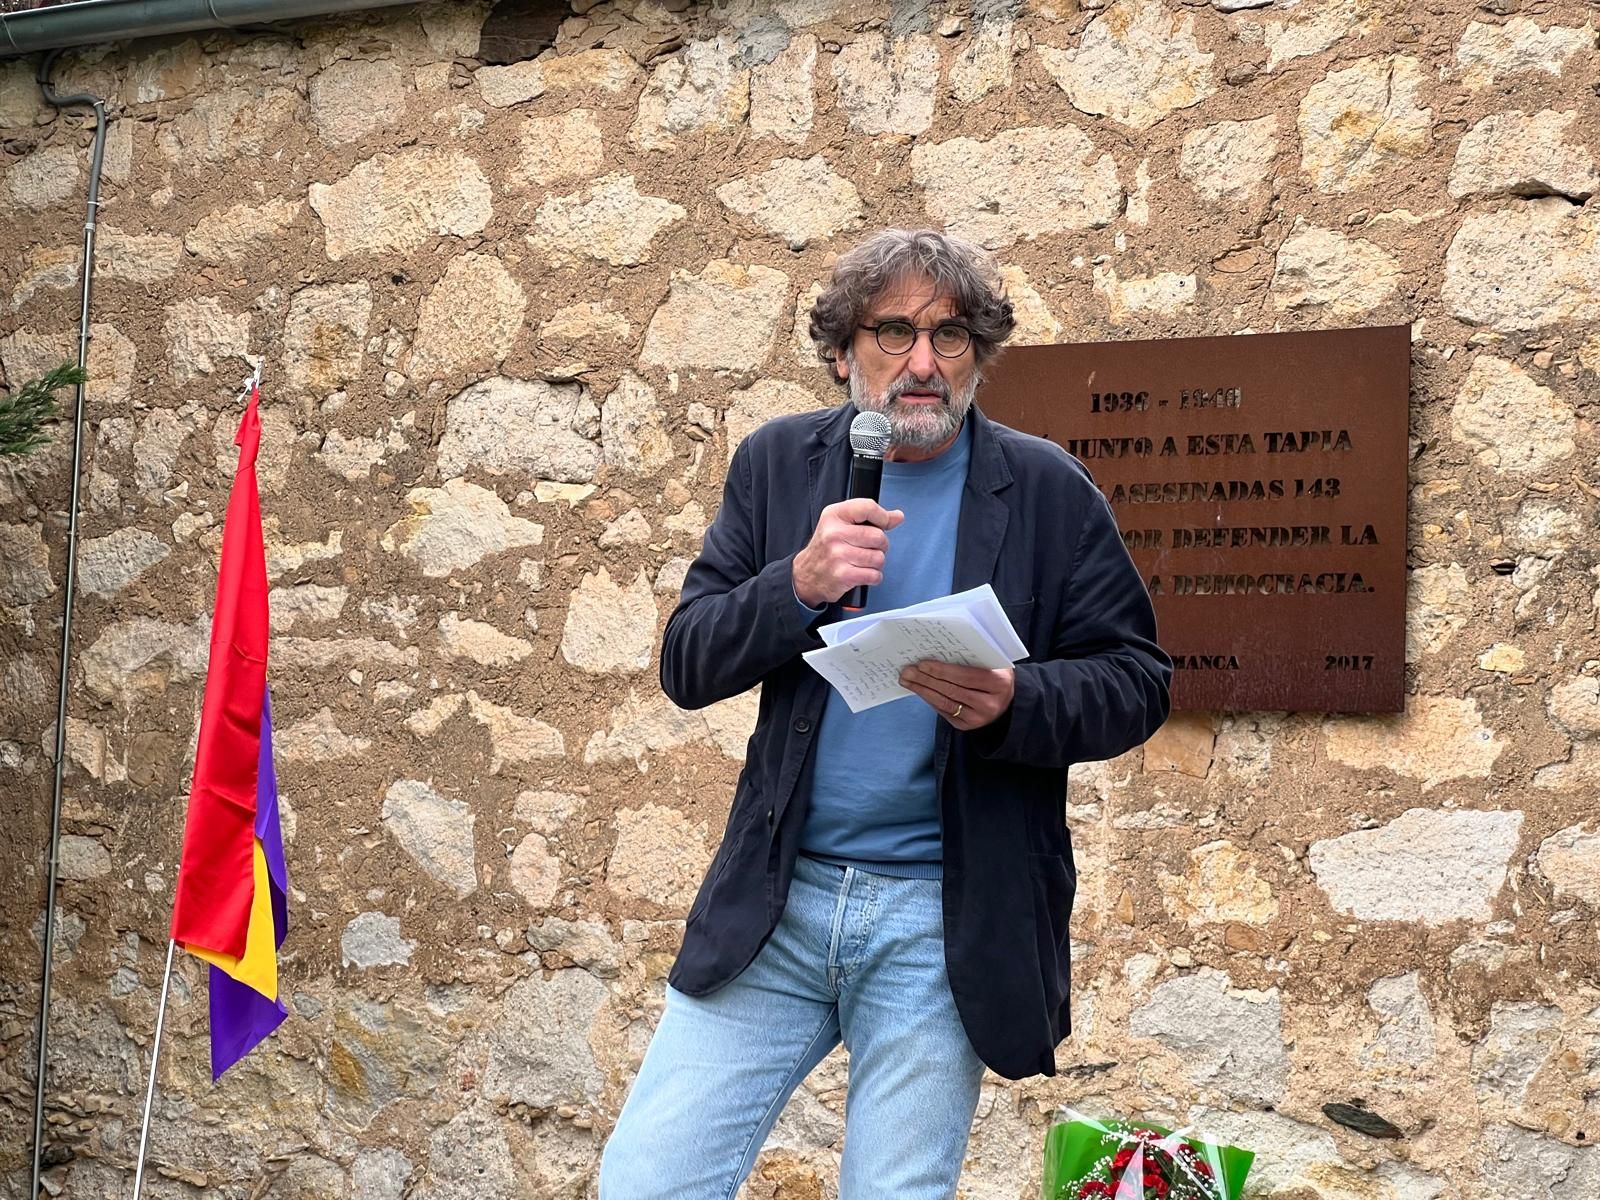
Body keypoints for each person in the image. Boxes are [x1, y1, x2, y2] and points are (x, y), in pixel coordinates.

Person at [599, 229, 1171, 1199]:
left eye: (948, 337)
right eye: (893, 331)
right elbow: (685, 661)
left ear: (977, 355)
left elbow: (1137, 679)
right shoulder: (778, 465)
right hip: (780, 900)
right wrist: (798, 583)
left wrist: (1013, 701)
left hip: (936, 916)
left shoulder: (1046, 490)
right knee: (645, 1183)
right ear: (841, 351)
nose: (919, 362)